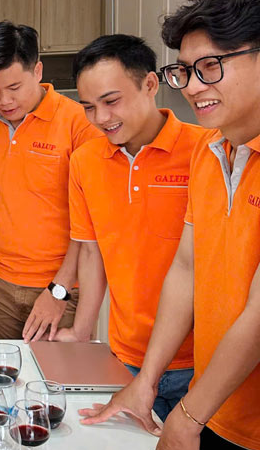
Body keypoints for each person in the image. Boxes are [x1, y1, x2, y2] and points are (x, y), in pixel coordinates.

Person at [81, 0, 260, 450]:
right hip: (215, 406)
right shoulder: (212, 151)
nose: (194, 87)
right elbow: (185, 268)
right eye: (187, 70)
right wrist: (147, 380)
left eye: (211, 66)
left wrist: (186, 415)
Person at [57, 34, 203, 418]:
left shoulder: (206, 151)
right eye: (89, 107)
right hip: (125, 357)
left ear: (150, 84)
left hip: (202, 360)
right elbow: (92, 252)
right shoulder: (85, 162)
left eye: (111, 101)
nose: (101, 118)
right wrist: (82, 332)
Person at [0, 21, 97, 341]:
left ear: (37, 71)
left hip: (60, 287)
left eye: (14, 88)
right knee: (8, 367)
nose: (4, 101)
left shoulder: (79, 123)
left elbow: (92, 216)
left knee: (56, 371)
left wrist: (59, 289)